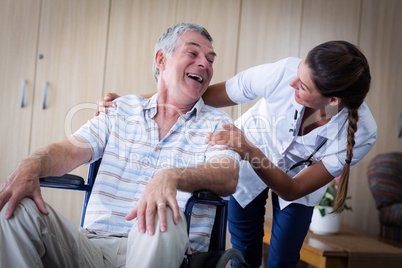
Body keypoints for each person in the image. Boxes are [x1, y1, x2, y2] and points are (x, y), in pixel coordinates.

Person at [98, 40, 377, 267]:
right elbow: (201, 96)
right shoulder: (282, 73)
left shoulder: (362, 132)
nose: (292, 83)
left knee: (284, 260)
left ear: (333, 101)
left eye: (303, 87)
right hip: (245, 164)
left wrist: (248, 149)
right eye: (298, 74)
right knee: (245, 253)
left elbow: (293, 189)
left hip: (279, 171)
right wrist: (132, 103)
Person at [0, 23, 241, 268]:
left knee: (161, 211)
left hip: (163, 251)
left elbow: (227, 175)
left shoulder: (217, 123)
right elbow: (70, 150)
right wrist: (32, 163)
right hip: (92, 248)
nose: (205, 64)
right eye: (193, 53)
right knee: (16, 208)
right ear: (161, 59)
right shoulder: (120, 110)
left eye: (210, 60)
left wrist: (173, 176)